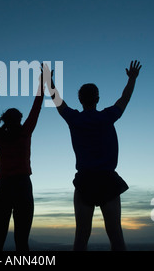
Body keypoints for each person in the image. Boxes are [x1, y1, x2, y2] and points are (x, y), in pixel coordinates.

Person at [45, 60, 142, 251]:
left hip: (85, 181)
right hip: (107, 180)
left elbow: (57, 101)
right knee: (116, 236)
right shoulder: (107, 116)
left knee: (81, 237)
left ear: (80, 100)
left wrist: (49, 80)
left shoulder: (75, 118)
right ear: (97, 99)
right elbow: (124, 99)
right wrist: (132, 79)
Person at [0, 65, 46, 251]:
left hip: (4, 188)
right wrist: (43, 80)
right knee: (22, 241)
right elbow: (37, 106)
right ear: (20, 119)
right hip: (23, 187)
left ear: (5, 120)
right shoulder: (25, 133)